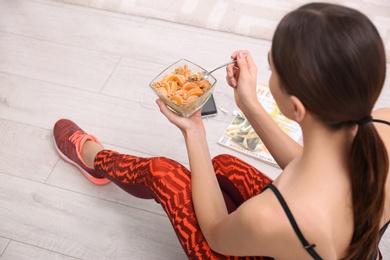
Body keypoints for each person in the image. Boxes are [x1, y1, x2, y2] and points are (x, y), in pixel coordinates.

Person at [53, 2, 390, 259]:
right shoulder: (384, 122)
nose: (267, 77)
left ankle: (91, 158)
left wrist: (194, 130)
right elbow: (315, 166)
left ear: (296, 107)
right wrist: (250, 105)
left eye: (273, 70)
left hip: (285, 237)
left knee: (162, 173)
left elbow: (214, 234)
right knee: (223, 167)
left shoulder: (274, 215)